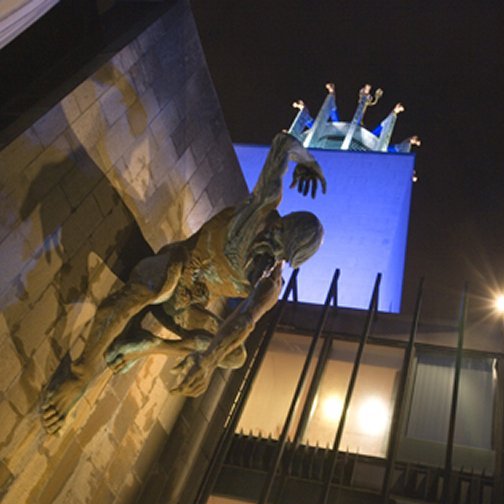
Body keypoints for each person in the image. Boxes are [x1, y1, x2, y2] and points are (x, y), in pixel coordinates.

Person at [41, 132, 326, 434]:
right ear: (280, 223)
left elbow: (244, 321)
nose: (271, 246)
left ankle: (146, 345)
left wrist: (207, 360)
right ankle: (81, 373)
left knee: (235, 355)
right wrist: (308, 161)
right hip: (173, 266)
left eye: (281, 253)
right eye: (277, 235)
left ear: (289, 261)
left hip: (186, 305)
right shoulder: (259, 211)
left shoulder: (269, 284)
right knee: (158, 285)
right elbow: (282, 143)